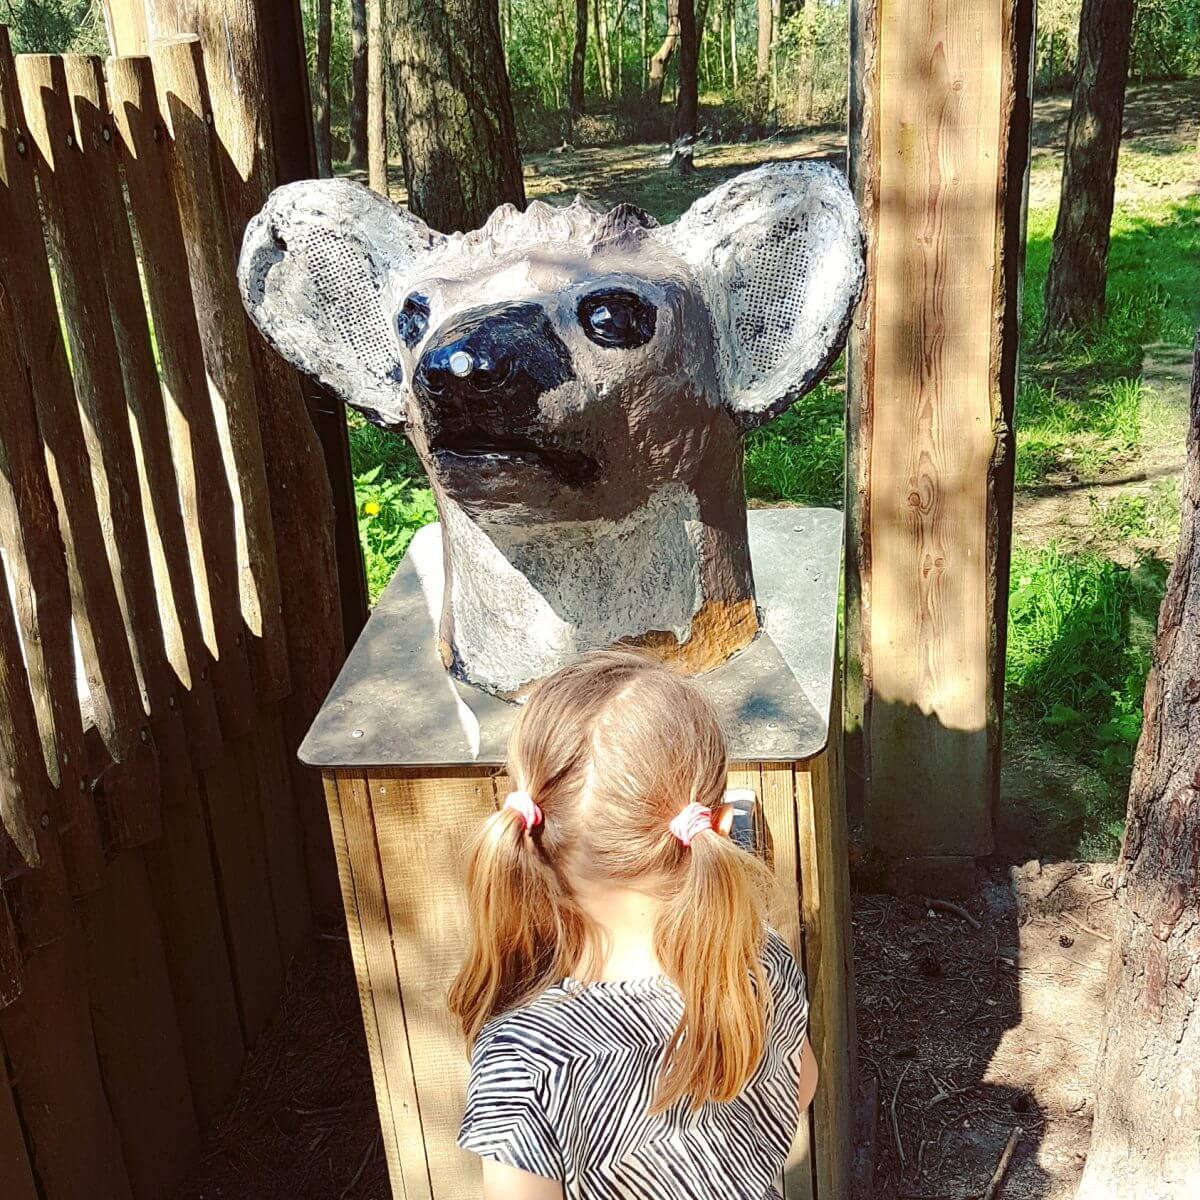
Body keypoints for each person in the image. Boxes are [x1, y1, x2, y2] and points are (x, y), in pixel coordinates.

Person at [449, 650, 819, 1199]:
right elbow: (801, 1086)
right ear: (715, 824)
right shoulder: (757, 959)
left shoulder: (526, 1056)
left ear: (529, 826)